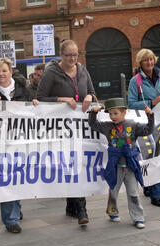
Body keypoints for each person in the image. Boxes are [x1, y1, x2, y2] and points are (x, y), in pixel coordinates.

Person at [36, 39, 97, 225]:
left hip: (80, 126)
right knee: (71, 164)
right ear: (61, 55)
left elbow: (93, 94)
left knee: (77, 163)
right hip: (60, 127)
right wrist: (61, 99)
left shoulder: (83, 70)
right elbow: (40, 98)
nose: (72, 58)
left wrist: (89, 96)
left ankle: (74, 207)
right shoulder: (51, 72)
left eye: (75, 54)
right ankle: (80, 209)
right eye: (69, 55)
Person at [0, 58, 35, 233]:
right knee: (7, 176)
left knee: (18, 175)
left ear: (10, 72)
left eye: (4, 71)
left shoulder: (22, 89)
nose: (1, 74)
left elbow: (32, 108)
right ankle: (11, 219)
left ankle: (16, 206)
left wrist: (35, 104)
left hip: (20, 140)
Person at [89, 98, 154, 229]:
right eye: (110, 113)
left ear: (124, 112)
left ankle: (138, 217)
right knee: (113, 191)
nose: (112, 116)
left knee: (134, 193)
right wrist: (93, 113)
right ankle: (112, 211)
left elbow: (148, 130)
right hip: (115, 166)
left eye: (116, 113)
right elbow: (93, 124)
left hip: (130, 165)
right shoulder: (107, 126)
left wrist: (150, 116)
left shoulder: (133, 125)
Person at [127, 48, 160, 208]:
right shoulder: (135, 81)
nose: (150, 62)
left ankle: (156, 194)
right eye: (146, 60)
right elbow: (131, 104)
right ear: (141, 62)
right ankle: (152, 190)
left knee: (158, 154)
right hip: (144, 124)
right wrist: (152, 102)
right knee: (148, 156)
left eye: (151, 59)